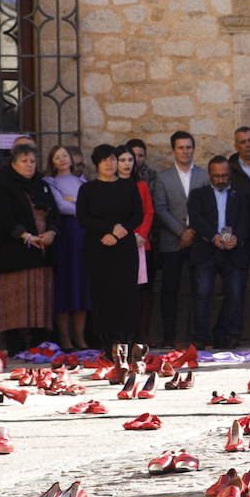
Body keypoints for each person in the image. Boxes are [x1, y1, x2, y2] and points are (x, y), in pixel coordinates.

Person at [0, 143, 57, 354]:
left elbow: (53, 212)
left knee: (38, 296)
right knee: (13, 297)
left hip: (41, 250)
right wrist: (26, 236)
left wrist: (51, 232)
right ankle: (9, 344)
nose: (29, 165)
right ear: (13, 163)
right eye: (24, 161)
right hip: (13, 249)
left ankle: (37, 342)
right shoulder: (2, 184)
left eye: (32, 161)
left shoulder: (42, 183)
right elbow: (3, 216)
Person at [77, 144, 144, 359]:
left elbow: (137, 214)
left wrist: (119, 232)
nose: (110, 163)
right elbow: (83, 218)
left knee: (126, 295)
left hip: (124, 248)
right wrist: (107, 230)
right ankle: (107, 344)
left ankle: (127, 341)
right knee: (102, 295)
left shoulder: (129, 186)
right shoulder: (88, 189)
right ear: (97, 163)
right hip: (99, 248)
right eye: (105, 160)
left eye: (113, 159)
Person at [187, 156, 250, 349]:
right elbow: (196, 218)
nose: (221, 179)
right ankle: (201, 337)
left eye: (224, 175)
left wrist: (237, 238)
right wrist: (211, 235)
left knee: (235, 292)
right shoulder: (199, 194)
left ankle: (225, 334)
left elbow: (246, 219)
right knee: (203, 292)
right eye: (217, 176)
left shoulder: (240, 194)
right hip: (207, 249)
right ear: (210, 175)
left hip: (232, 250)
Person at [151, 131, 207, 347]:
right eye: (181, 147)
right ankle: (169, 336)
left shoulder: (203, 176)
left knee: (199, 290)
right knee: (169, 291)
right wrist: (180, 232)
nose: (185, 151)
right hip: (172, 242)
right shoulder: (163, 177)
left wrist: (192, 231)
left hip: (198, 241)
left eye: (189, 147)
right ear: (173, 150)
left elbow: (206, 208)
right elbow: (161, 209)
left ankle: (196, 337)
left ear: (194, 148)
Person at [44, 145, 87, 352]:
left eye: (64, 155)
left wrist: (76, 202)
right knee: (64, 286)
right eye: (56, 157)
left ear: (71, 158)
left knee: (81, 285)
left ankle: (80, 338)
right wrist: (79, 204)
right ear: (51, 161)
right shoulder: (49, 182)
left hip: (82, 236)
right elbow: (62, 207)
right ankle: (65, 338)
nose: (61, 159)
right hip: (65, 236)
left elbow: (90, 206)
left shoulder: (82, 181)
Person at [117, 147, 155, 312]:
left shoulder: (142, 186)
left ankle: (137, 333)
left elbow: (148, 211)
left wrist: (142, 235)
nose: (127, 164)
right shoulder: (111, 186)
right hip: (119, 243)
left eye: (130, 160)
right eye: (122, 160)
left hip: (140, 242)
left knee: (139, 290)